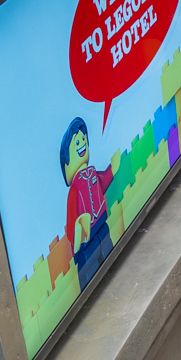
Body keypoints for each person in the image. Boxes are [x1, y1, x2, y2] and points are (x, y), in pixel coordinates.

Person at [61, 118, 116, 286]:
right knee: (90, 273)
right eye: (77, 142)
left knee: (109, 254)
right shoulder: (75, 189)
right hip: (86, 244)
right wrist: (78, 232)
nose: (82, 144)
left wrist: (112, 169)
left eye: (83, 139)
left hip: (101, 227)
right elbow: (72, 221)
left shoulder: (92, 174)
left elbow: (103, 182)